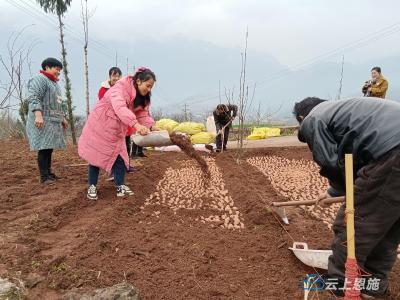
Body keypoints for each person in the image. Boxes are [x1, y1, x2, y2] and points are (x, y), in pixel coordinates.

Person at [293, 97, 400, 298]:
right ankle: (373, 287)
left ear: (301, 117)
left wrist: (338, 191)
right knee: (388, 227)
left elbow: (330, 162)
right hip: (391, 151)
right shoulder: (344, 111)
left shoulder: (313, 118)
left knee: (354, 226)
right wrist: (338, 191)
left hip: (393, 152)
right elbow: (359, 161)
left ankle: (340, 289)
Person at [78, 67, 157, 200]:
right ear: (138, 81)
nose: (149, 90)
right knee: (96, 156)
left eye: (151, 87)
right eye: (147, 86)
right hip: (102, 124)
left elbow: (142, 113)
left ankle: (120, 185)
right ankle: (92, 186)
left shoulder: (142, 97)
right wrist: (136, 125)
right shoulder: (120, 88)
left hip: (117, 128)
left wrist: (151, 126)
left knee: (120, 157)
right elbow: (119, 107)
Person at [25, 57, 68, 184]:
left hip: (52, 121)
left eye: (60, 70)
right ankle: (44, 177)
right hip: (42, 120)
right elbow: (34, 98)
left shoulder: (54, 84)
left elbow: (59, 103)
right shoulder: (39, 79)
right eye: (56, 69)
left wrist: (63, 118)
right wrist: (38, 115)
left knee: (49, 148)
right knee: (43, 148)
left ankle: (49, 173)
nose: (58, 72)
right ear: (47, 67)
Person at [98, 67, 136, 173]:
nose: (116, 77)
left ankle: (126, 165)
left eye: (118, 75)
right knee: (115, 147)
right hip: (112, 121)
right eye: (114, 75)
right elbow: (105, 105)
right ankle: (114, 169)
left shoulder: (123, 88)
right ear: (109, 76)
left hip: (124, 120)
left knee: (126, 144)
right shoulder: (103, 90)